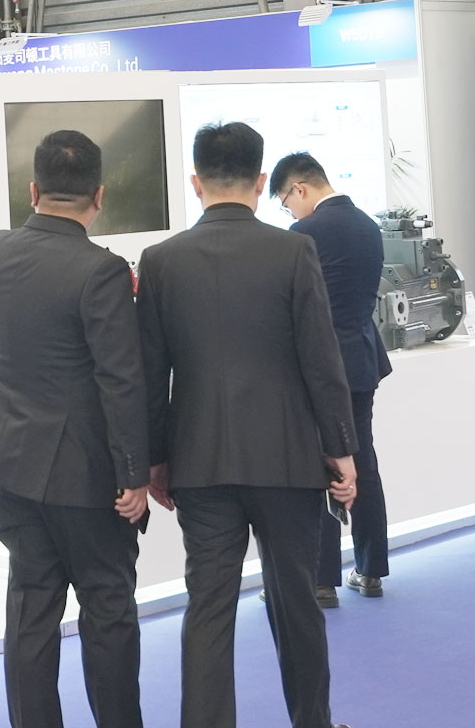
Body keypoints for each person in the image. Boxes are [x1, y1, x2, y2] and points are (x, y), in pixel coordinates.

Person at [137, 122, 358, 728]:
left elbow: (151, 376)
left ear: (195, 182)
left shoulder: (160, 261)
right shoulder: (293, 251)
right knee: (296, 603)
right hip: (287, 458)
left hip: (199, 462)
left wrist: (154, 460)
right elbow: (321, 361)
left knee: (208, 607)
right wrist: (341, 449)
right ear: (261, 182)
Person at [0, 131, 148, 728]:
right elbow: (121, 380)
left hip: (9, 463)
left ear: (33, 190)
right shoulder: (102, 271)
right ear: (99, 197)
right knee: (108, 608)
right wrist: (134, 474)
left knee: (30, 608)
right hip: (84, 475)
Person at [271, 152, 393, 603]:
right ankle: (371, 570)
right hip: (361, 362)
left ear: (299, 189)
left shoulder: (303, 235)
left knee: (316, 467)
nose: (290, 212)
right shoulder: (368, 226)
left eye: (286, 203)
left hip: (317, 370)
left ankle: (320, 581)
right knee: (363, 463)